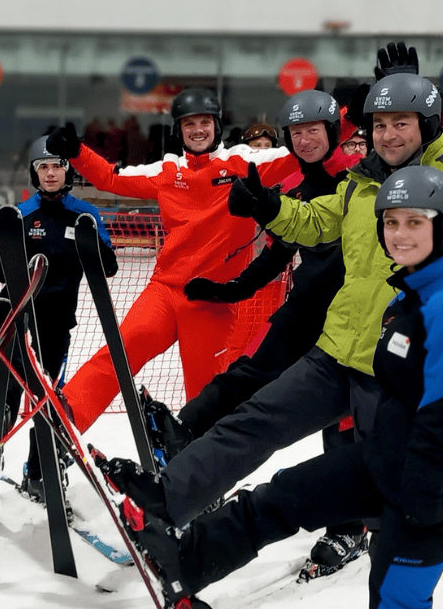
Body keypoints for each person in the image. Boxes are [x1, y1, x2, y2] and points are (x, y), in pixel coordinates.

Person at [106, 47, 443, 547]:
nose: (388, 134)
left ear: (428, 125)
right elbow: (317, 221)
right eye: (379, 124)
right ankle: (168, 498)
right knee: (254, 422)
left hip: (396, 365)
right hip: (337, 350)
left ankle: (396, 572)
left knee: (384, 477)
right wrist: (268, 206)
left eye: (402, 122)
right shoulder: (361, 184)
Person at [127, 166, 443, 609]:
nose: (401, 233)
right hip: (388, 463)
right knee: (286, 496)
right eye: (393, 222)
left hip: (431, 494)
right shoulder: (412, 293)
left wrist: (418, 509)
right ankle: (188, 558)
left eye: (416, 223)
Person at [176, 89, 367, 574]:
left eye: (313, 131)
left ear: (332, 133)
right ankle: (183, 433)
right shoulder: (298, 190)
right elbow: (277, 254)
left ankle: (348, 527)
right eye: (296, 133)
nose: (304, 141)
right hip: (305, 307)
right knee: (251, 375)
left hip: (349, 316)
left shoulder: (357, 181)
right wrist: (230, 289)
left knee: (342, 421)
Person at [44, 88, 291, 433]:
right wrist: (76, 152)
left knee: (206, 394)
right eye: (189, 124)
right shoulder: (168, 170)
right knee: (122, 348)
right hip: (165, 292)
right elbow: (112, 178)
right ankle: (66, 417)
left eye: (205, 122)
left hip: (211, 299)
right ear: (179, 130)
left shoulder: (242, 162)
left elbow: (303, 151)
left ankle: (202, 461)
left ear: (217, 126)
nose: (198, 130)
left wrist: (346, 118)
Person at [0, 136, 117, 498]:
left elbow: (109, 266)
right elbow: (0, 270)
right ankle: (2, 411)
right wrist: (9, 242)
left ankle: (39, 470)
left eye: (57, 165)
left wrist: (85, 247)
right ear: (35, 173)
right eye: (44, 167)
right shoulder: (22, 215)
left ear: (68, 170)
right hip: (18, 311)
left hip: (57, 319)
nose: (51, 173)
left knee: (47, 396)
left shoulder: (84, 216)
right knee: (9, 359)